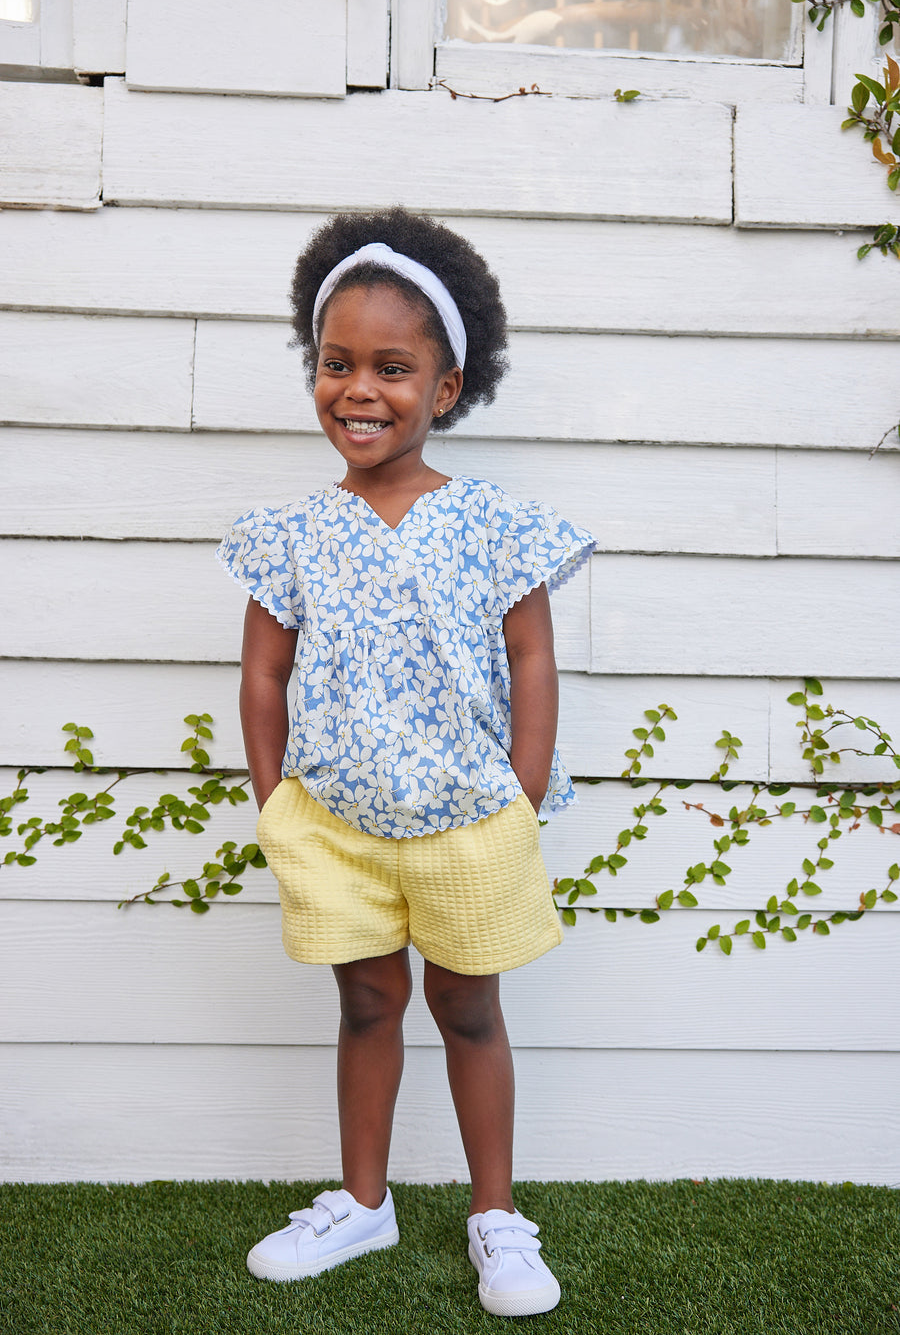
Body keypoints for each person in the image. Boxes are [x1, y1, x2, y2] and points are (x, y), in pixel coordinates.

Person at [216, 207, 595, 1318]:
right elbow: (261, 677)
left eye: (392, 365)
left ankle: (495, 1213)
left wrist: (521, 789)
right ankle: (364, 1199)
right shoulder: (289, 533)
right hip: (333, 822)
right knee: (369, 1000)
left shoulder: (493, 523)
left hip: (469, 817)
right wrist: (275, 799)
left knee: (468, 1006)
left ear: (446, 387)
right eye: (336, 363)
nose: (359, 389)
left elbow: (531, 654)